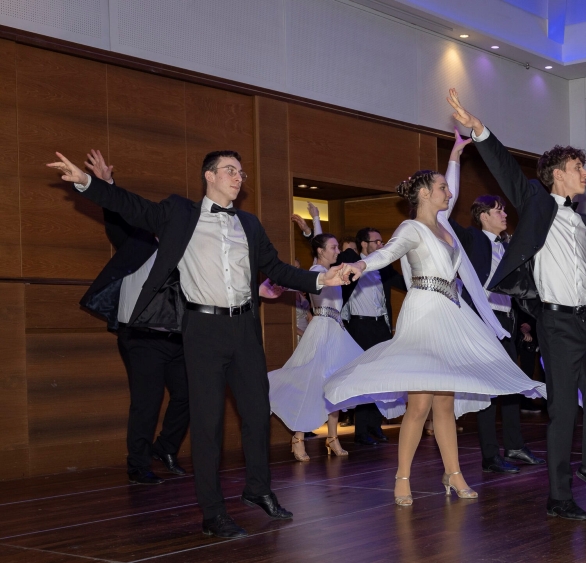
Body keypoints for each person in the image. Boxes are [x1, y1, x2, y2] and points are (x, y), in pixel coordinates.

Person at [48, 149, 344, 539]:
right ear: (209, 176)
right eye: (230, 171)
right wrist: (89, 183)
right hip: (202, 329)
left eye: (241, 172)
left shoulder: (250, 225)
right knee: (208, 423)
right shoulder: (180, 214)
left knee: (257, 414)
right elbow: (131, 207)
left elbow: (275, 269)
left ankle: (258, 490)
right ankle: (213, 513)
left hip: (244, 329)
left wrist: (322, 280)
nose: (239, 178)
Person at [448, 89, 586, 520]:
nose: (585, 174)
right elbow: (507, 171)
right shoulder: (536, 204)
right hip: (556, 322)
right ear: (556, 175)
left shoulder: (585, 221)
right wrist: (479, 129)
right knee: (563, 410)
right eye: (578, 168)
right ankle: (559, 496)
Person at [325, 130, 546, 507]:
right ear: (425, 193)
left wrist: (457, 155)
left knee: (445, 404)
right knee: (420, 403)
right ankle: (402, 476)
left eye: (446, 186)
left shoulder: (445, 229)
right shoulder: (411, 228)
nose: (448, 192)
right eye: (441, 187)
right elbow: (388, 253)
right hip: (424, 311)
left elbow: (453, 189)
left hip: (450, 311)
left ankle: (453, 472)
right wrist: (360, 263)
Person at [78, 152, 188, 485]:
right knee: (147, 401)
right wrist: (105, 184)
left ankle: (165, 447)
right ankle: (138, 463)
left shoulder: (185, 253)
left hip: (176, 337)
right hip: (140, 337)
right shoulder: (135, 241)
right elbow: (118, 211)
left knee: (189, 395)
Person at [449, 190, 545, 474]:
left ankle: (514, 445)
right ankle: (490, 455)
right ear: (483, 216)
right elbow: (445, 218)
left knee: (512, 384)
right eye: (498, 210)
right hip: (481, 321)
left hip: (505, 323)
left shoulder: (507, 247)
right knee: (489, 390)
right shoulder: (472, 238)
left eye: (504, 210)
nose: (505, 215)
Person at [268, 233, 363, 461]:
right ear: (320, 251)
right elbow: (318, 272)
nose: (337, 251)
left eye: (337, 247)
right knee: (309, 382)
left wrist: (317, 222)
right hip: (321, 328)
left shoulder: (328, 269)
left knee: (336, 383)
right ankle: (298, 438)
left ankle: (332, 437)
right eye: (333, 247)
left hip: (336, 329)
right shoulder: (316, 272)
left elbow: (322, 245)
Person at [338, 226, 407, 445]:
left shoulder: (383, 268)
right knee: (363, 378)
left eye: (381, 241)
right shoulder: (350, 263)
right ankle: (361, 431)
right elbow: (345, 255)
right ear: (363, 245)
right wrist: (359, 256)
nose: (381, 245)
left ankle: (375, 426)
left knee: (380, 378)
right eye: (376, 242)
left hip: (381, 327)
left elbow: (405, 284)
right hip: (360, 327)